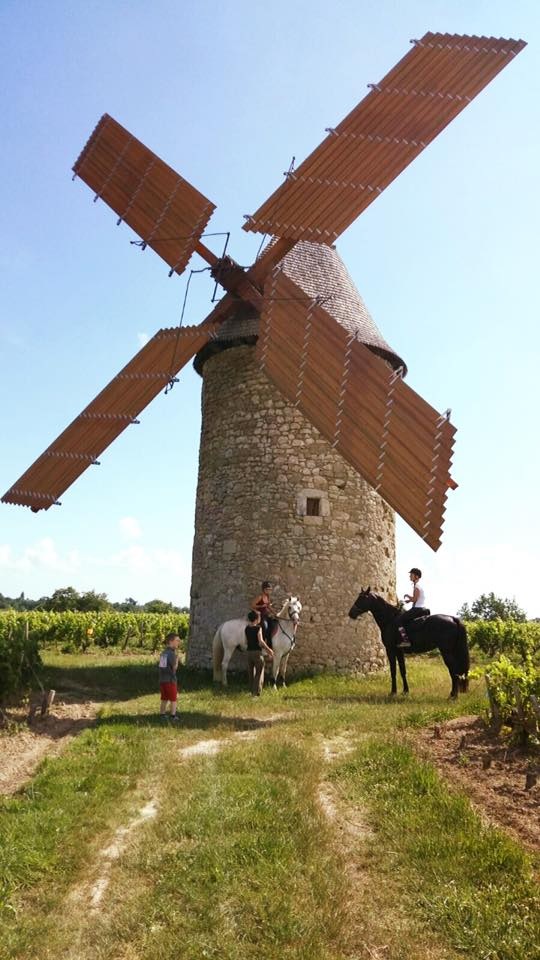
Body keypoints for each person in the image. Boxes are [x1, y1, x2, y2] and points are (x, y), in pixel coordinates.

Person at [396, 568, 430, 649]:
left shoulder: (417, 586)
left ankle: (406, 641)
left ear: (417, 577)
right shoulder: (417, 586)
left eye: (411, 575)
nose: (410, 576)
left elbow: (415, 599)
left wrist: (408, 597)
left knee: (399, 620)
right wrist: (408, 601)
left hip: (417, 609)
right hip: (419, 607)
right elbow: (416, 599)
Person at [245, 610, 273, 696]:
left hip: (249, 653)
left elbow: (246, 641)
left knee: (250, 673)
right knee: (258, 673)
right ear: (257, 619)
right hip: (257, 653)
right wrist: (269, 650)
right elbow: (261, 641)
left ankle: (251, 691)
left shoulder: (246, 628)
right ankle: (255, 693)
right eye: (259, 617)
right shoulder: (258, 628)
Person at [158, 632, 181, 720]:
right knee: (174, 699)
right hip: (170, 680)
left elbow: (161, 667)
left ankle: (162, 715)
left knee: (164, 698)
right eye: (177, 640)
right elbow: (174, 668)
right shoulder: (172, 654)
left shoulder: (163, 653)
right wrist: (177, 660)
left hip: (162, 680)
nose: (178, 642)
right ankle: (173, 716)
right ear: (171, 642)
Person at [251, 580, 277, 648]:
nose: (269, 591)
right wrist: (260, 606)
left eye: (270, 589)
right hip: (260, 615)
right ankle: (262, 643)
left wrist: (276, 613)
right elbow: (252, 605)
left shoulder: (268, 597)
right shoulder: (260, 597)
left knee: (273, 624)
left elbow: (269, 606)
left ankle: (270, 644)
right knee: (265, 627)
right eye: (267, 589)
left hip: (266, 615)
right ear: (264, 589)